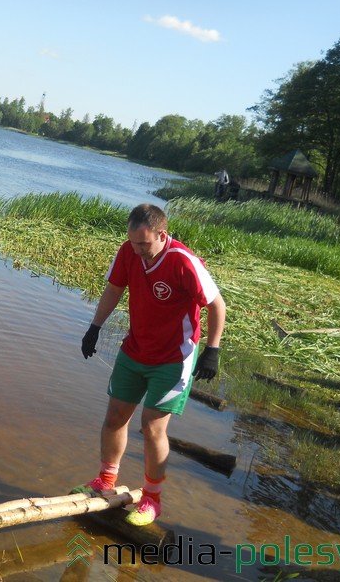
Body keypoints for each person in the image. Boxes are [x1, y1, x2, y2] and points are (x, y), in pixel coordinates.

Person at [72, 204, 226, 526]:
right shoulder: (128, 252)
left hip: (173, 359)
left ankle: (152, 499)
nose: (139, 251)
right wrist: (94, 327)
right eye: (133, 243)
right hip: (135, 350)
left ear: (162, 234)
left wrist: (212, 350)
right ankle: (105, 481)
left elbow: (216, 304)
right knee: (115, 416)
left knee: (152, 427)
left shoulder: (184, 262)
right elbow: (114, 289)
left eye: (145, 244)